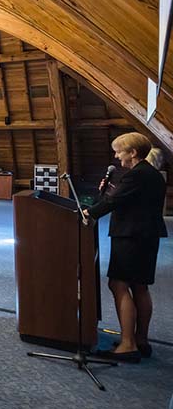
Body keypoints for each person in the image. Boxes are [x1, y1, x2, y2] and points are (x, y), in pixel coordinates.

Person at [85, 133, 167, 362]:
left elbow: (113, 202)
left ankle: (127, 345)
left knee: (118, 284)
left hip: (131, 237)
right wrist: (113, 190)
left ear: (132, 152)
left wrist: (88, 213)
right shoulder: (150, 174)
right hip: (146, 237)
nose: (116, 155)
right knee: (140, 286)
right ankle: (140, 339)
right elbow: (128, 199)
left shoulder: (137, 174)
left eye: (119, 150)